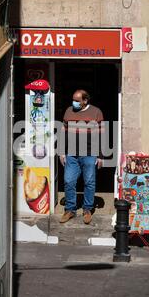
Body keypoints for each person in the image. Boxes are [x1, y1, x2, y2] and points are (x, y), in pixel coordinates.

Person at [60, 90, 104, 225]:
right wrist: (62, 151)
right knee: (68, 181)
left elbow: (102, 134)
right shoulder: (68, 111)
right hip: (71, 154)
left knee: (89, 182)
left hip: (90, 153)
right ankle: (70, 209)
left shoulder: (96, 112)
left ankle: (87, 209)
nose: (74, 103)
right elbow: (63, 131)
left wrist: (101, 156)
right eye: (73, 99)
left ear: (85, 101)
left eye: (77, 100)